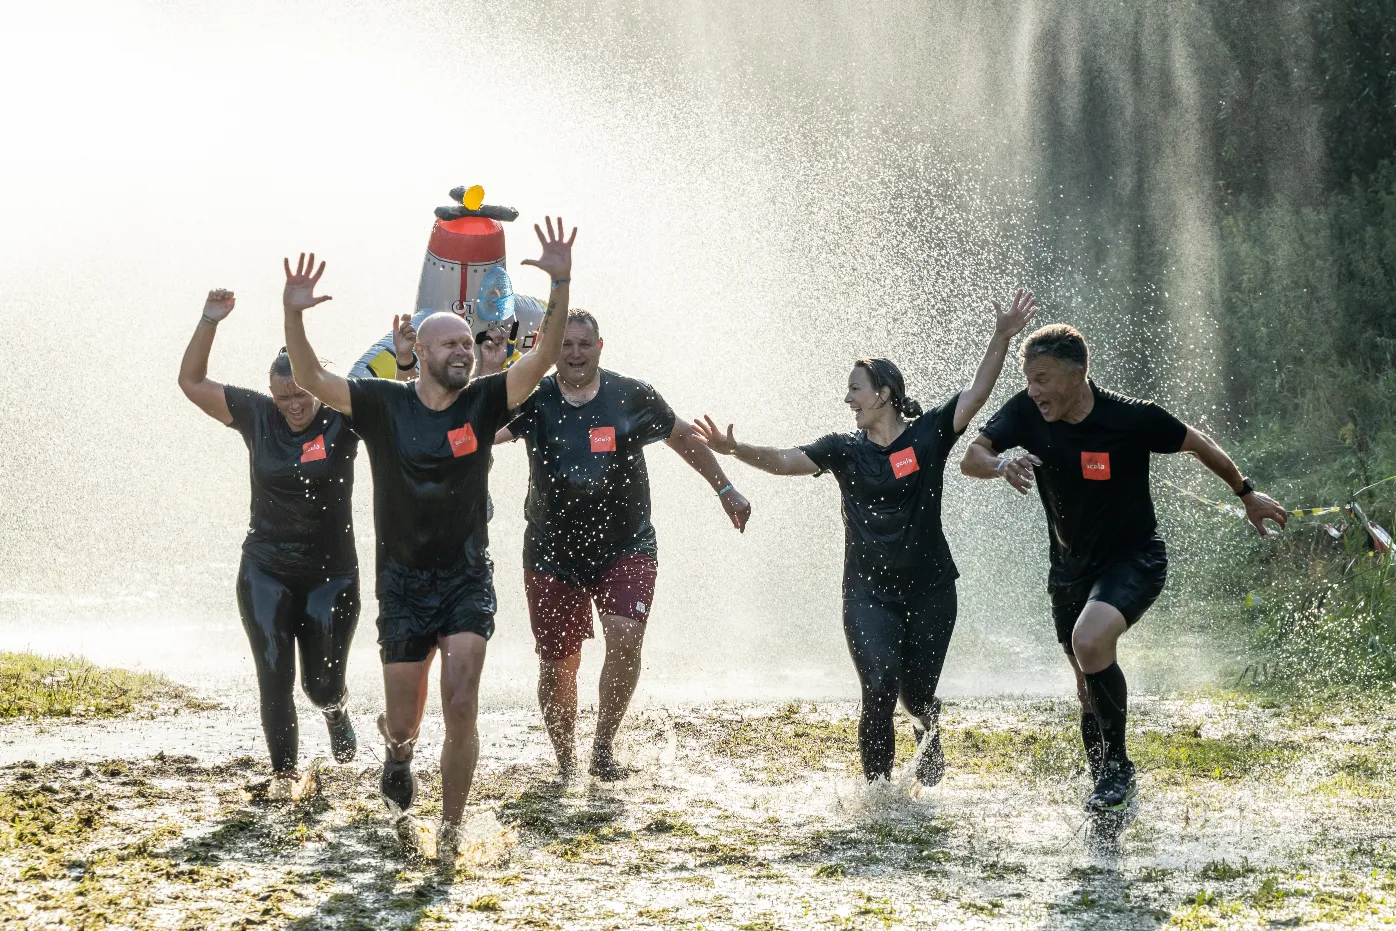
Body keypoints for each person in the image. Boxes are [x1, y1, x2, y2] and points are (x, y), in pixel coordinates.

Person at [280, 218, 574, 863]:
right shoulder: (382, 403)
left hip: (467, 578)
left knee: (462, 703)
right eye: (452, 346)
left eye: (469, 343)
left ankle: (450, 830)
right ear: (425, 350)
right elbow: (308, 376)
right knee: (406, 719)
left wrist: (560, 279)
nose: (465, 353)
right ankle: (398, 751)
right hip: (404, 584)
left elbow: (546, 355)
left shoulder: (486, 402)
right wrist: (292, 315)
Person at [694, 291, 1039, 785]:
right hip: (867, 592)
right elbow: (785, 460)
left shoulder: (928, 435)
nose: (848, 398)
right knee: (878, 687)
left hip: (931, 590)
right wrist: (734, 449)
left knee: (915, 695)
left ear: (883, 393)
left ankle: (928, 724)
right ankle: (879, 797)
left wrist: (1002, 336)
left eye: (855, 389)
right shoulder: (842, 449)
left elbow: (977, 393)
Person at [959, 323, 1288, 811]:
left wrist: (1246, 494)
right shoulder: (1027, 412)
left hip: (1134, 558)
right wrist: (999, 465)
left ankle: (1118, 771)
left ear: (1078, 373)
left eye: (1044, 379)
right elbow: (972, 455)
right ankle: (1106, 784)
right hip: (1070, 568)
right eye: (1029, 380)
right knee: (1086, 684)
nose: (1034, 391)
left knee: (1089, 640)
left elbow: (1197, 442)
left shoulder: (1130, 418)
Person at [495, 309, 752, 780]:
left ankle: (603, 748)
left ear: (599, 347)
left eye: (583, 344)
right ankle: (566, 763)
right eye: (565, 345)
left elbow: (682, 437)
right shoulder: (534, 398)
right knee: (558, 666)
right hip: (552, 550)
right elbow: (483, 436)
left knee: (626, 638)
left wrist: (724, 487)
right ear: (552, 351)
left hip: (625, 544)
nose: (574, 353)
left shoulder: (631, 396)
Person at [178, 288, 361, 800]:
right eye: (284, 398)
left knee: (319, 685)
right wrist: (209, 319)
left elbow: (411, 406)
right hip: (266, 568)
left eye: (301, 396)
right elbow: (191, 382)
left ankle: (336, 709)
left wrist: (408, 358)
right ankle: (284, 775)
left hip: (332, 572)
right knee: (275, 671)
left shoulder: (344, 414)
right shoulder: (258, 415)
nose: (293, 407)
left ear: (318, 388)